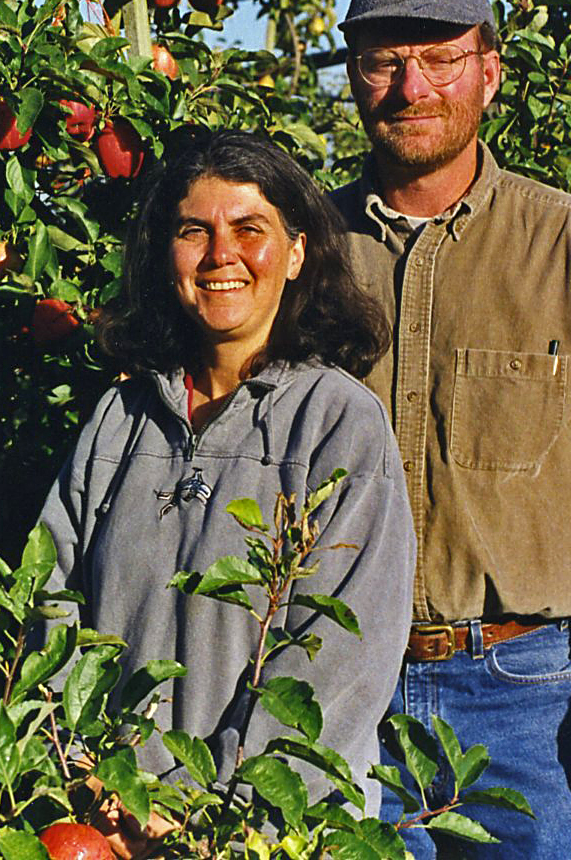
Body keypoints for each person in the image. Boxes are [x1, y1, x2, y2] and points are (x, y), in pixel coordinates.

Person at [327, 0, 571, 857]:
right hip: (339, 685)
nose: (411, 85)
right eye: (383, 60)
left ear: (489, 71)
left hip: (525, 695)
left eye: (441, 58)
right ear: (352, 77)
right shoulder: (301, 253)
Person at [36, 129, 417, 832]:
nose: (221, 256)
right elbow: (49, 601)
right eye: (194, 231)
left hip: (266, 835)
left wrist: (210, 822)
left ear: (298, 251)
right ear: (165, 255)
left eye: (250, 229)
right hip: (104, 824)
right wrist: (86, 780)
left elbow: (339, 671)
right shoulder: (122, 418)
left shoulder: (339, 425)